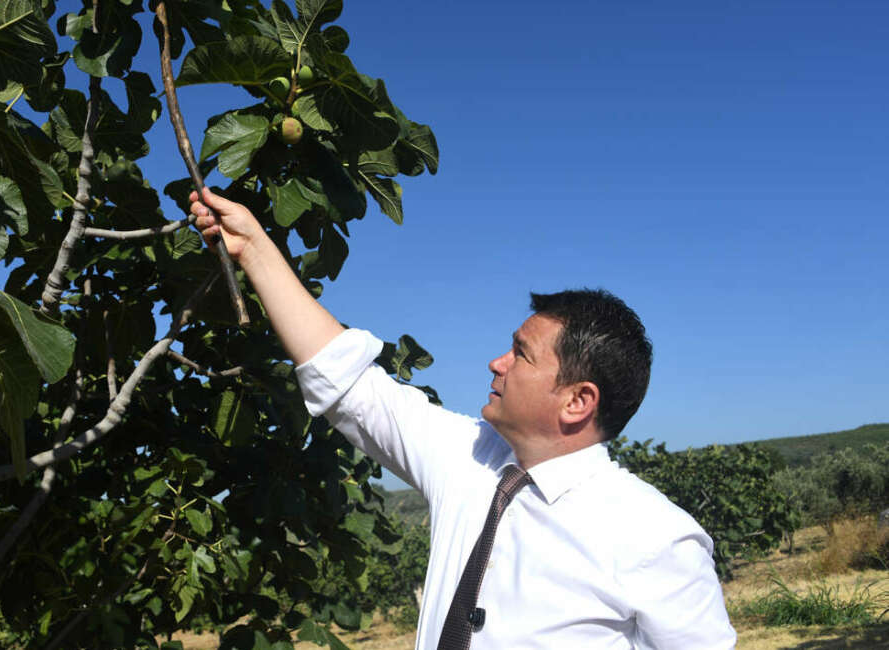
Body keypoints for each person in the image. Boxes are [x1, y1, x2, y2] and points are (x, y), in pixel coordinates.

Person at [189, 188, 737, 649]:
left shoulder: (656, 537)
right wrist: (253, 248)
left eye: (521, 354)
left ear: (577, 402)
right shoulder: (468, 458)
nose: (497, 363)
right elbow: (350, 385)